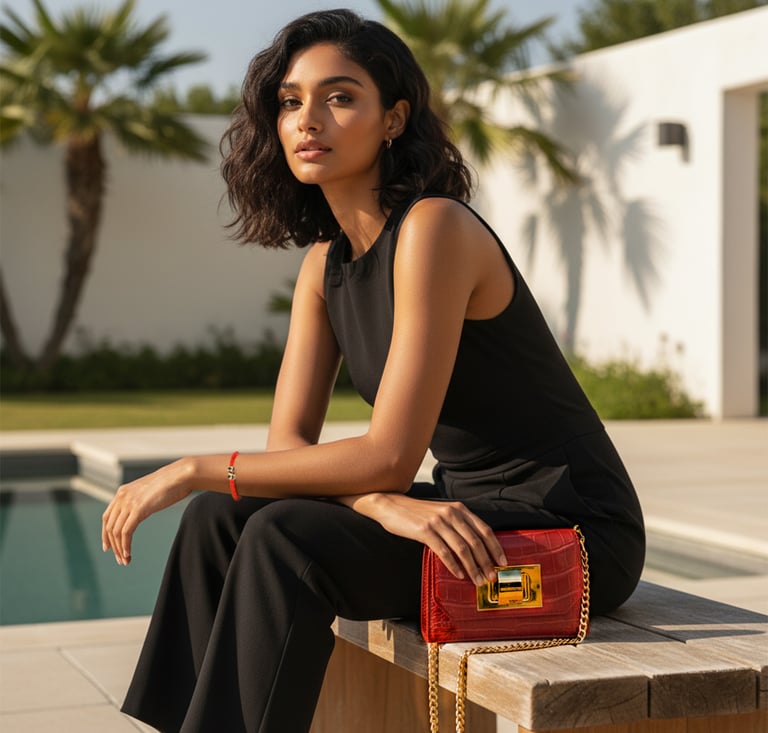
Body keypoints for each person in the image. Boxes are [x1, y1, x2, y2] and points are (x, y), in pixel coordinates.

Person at [103, 9, 645, 732]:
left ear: (393, 119)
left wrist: (192, 464)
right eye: (291, 100)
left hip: (566, 538)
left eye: (339, 96)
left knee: (280, 537)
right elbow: (291, 449)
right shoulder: (324, 266)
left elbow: (389, 454)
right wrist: (380, 502)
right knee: (218, 518)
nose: (307, 119)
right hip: (464, 521)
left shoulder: (436, 228)